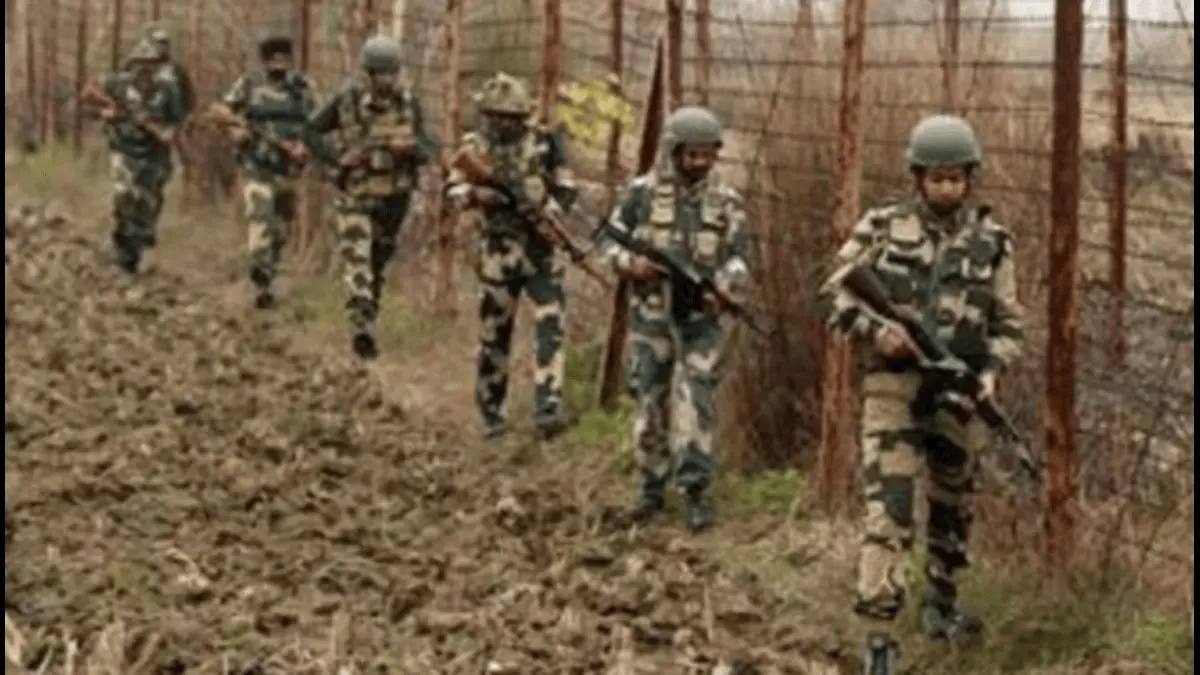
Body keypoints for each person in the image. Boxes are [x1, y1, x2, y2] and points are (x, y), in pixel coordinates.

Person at [817, 114, 1025, 671]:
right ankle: (879, 635)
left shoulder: (993, 241)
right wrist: (877, 332)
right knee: (890, 514)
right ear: (917, 177)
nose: (947, 188)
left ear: (970, 178)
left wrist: (991, 372)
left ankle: (942, 603)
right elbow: (835, 294)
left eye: (956, 178)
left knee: (954, 507)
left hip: (958, 393)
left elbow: (1009, 323)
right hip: (893, 391)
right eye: (936, 178)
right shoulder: (882, 226)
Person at [596, 106, 752, 532]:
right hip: (651, 317)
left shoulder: (727, 202)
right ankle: (650, 486)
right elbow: (606, 240)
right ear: (674, 152)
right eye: (692, 155)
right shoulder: (642, 194)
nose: (699, 164)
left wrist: (723, 288)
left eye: (707, 156)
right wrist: (632, 265)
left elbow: (741, 257)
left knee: (696, 401)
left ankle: (696, 489)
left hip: (701, 321)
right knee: (650, 401)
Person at [443, 72, 579, 441]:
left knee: (551, 323)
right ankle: (491, 413)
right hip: (498, 249)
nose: (504, 124)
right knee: (494, 332)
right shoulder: (475, 145)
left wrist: (546, 211)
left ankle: (547, 406)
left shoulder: (547, 143)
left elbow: (567, 188)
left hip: (542, 249)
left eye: (512, 117)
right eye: (496, 116)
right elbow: (452, 189)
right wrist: (477, 195)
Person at [308, 34, 435, 359]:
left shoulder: (410, 105)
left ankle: (368, 319)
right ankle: (360, 320)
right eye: (381, 74)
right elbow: (310, 131)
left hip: (394, 197)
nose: (388, 80)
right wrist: (337, 157)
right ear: (368, 74)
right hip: (356, 195)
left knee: (377, 262)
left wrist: (411, 148)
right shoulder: (346, 101)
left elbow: (430, 149)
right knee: (357, 258)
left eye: (393, 73)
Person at [209, 30, 316, 308]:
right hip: (256, 166)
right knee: (260, 217)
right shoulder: (249, 85)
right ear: (265, 61)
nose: (279, 64)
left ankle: (267, 276)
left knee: (280, 229)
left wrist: (305, 146)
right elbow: (219, 112)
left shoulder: (303, 89)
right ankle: (259, 275)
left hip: (288, 171)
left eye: (284, 58)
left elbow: (319, 124)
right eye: (273, 58)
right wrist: (235, 132)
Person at [82, 38, 185, 274]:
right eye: (141, 62)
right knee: (124, 196)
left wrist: (167, 132)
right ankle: (122, 251)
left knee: (147, 205)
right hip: (123, 149)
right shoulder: (116, 83)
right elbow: (87, 96)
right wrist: (104, 113)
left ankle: (138, 249)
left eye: (151, 63)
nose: (145, 68)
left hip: (154, 155)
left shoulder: (168, 89)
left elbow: (178, 120)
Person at [149, 28, 196, 118]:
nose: (161, 47)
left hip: (173, 119)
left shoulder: (175, 69)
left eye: (163, 44)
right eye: (158, 44)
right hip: (150, 117)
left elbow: (188, 92)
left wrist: (190, 114)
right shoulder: (145, 68)